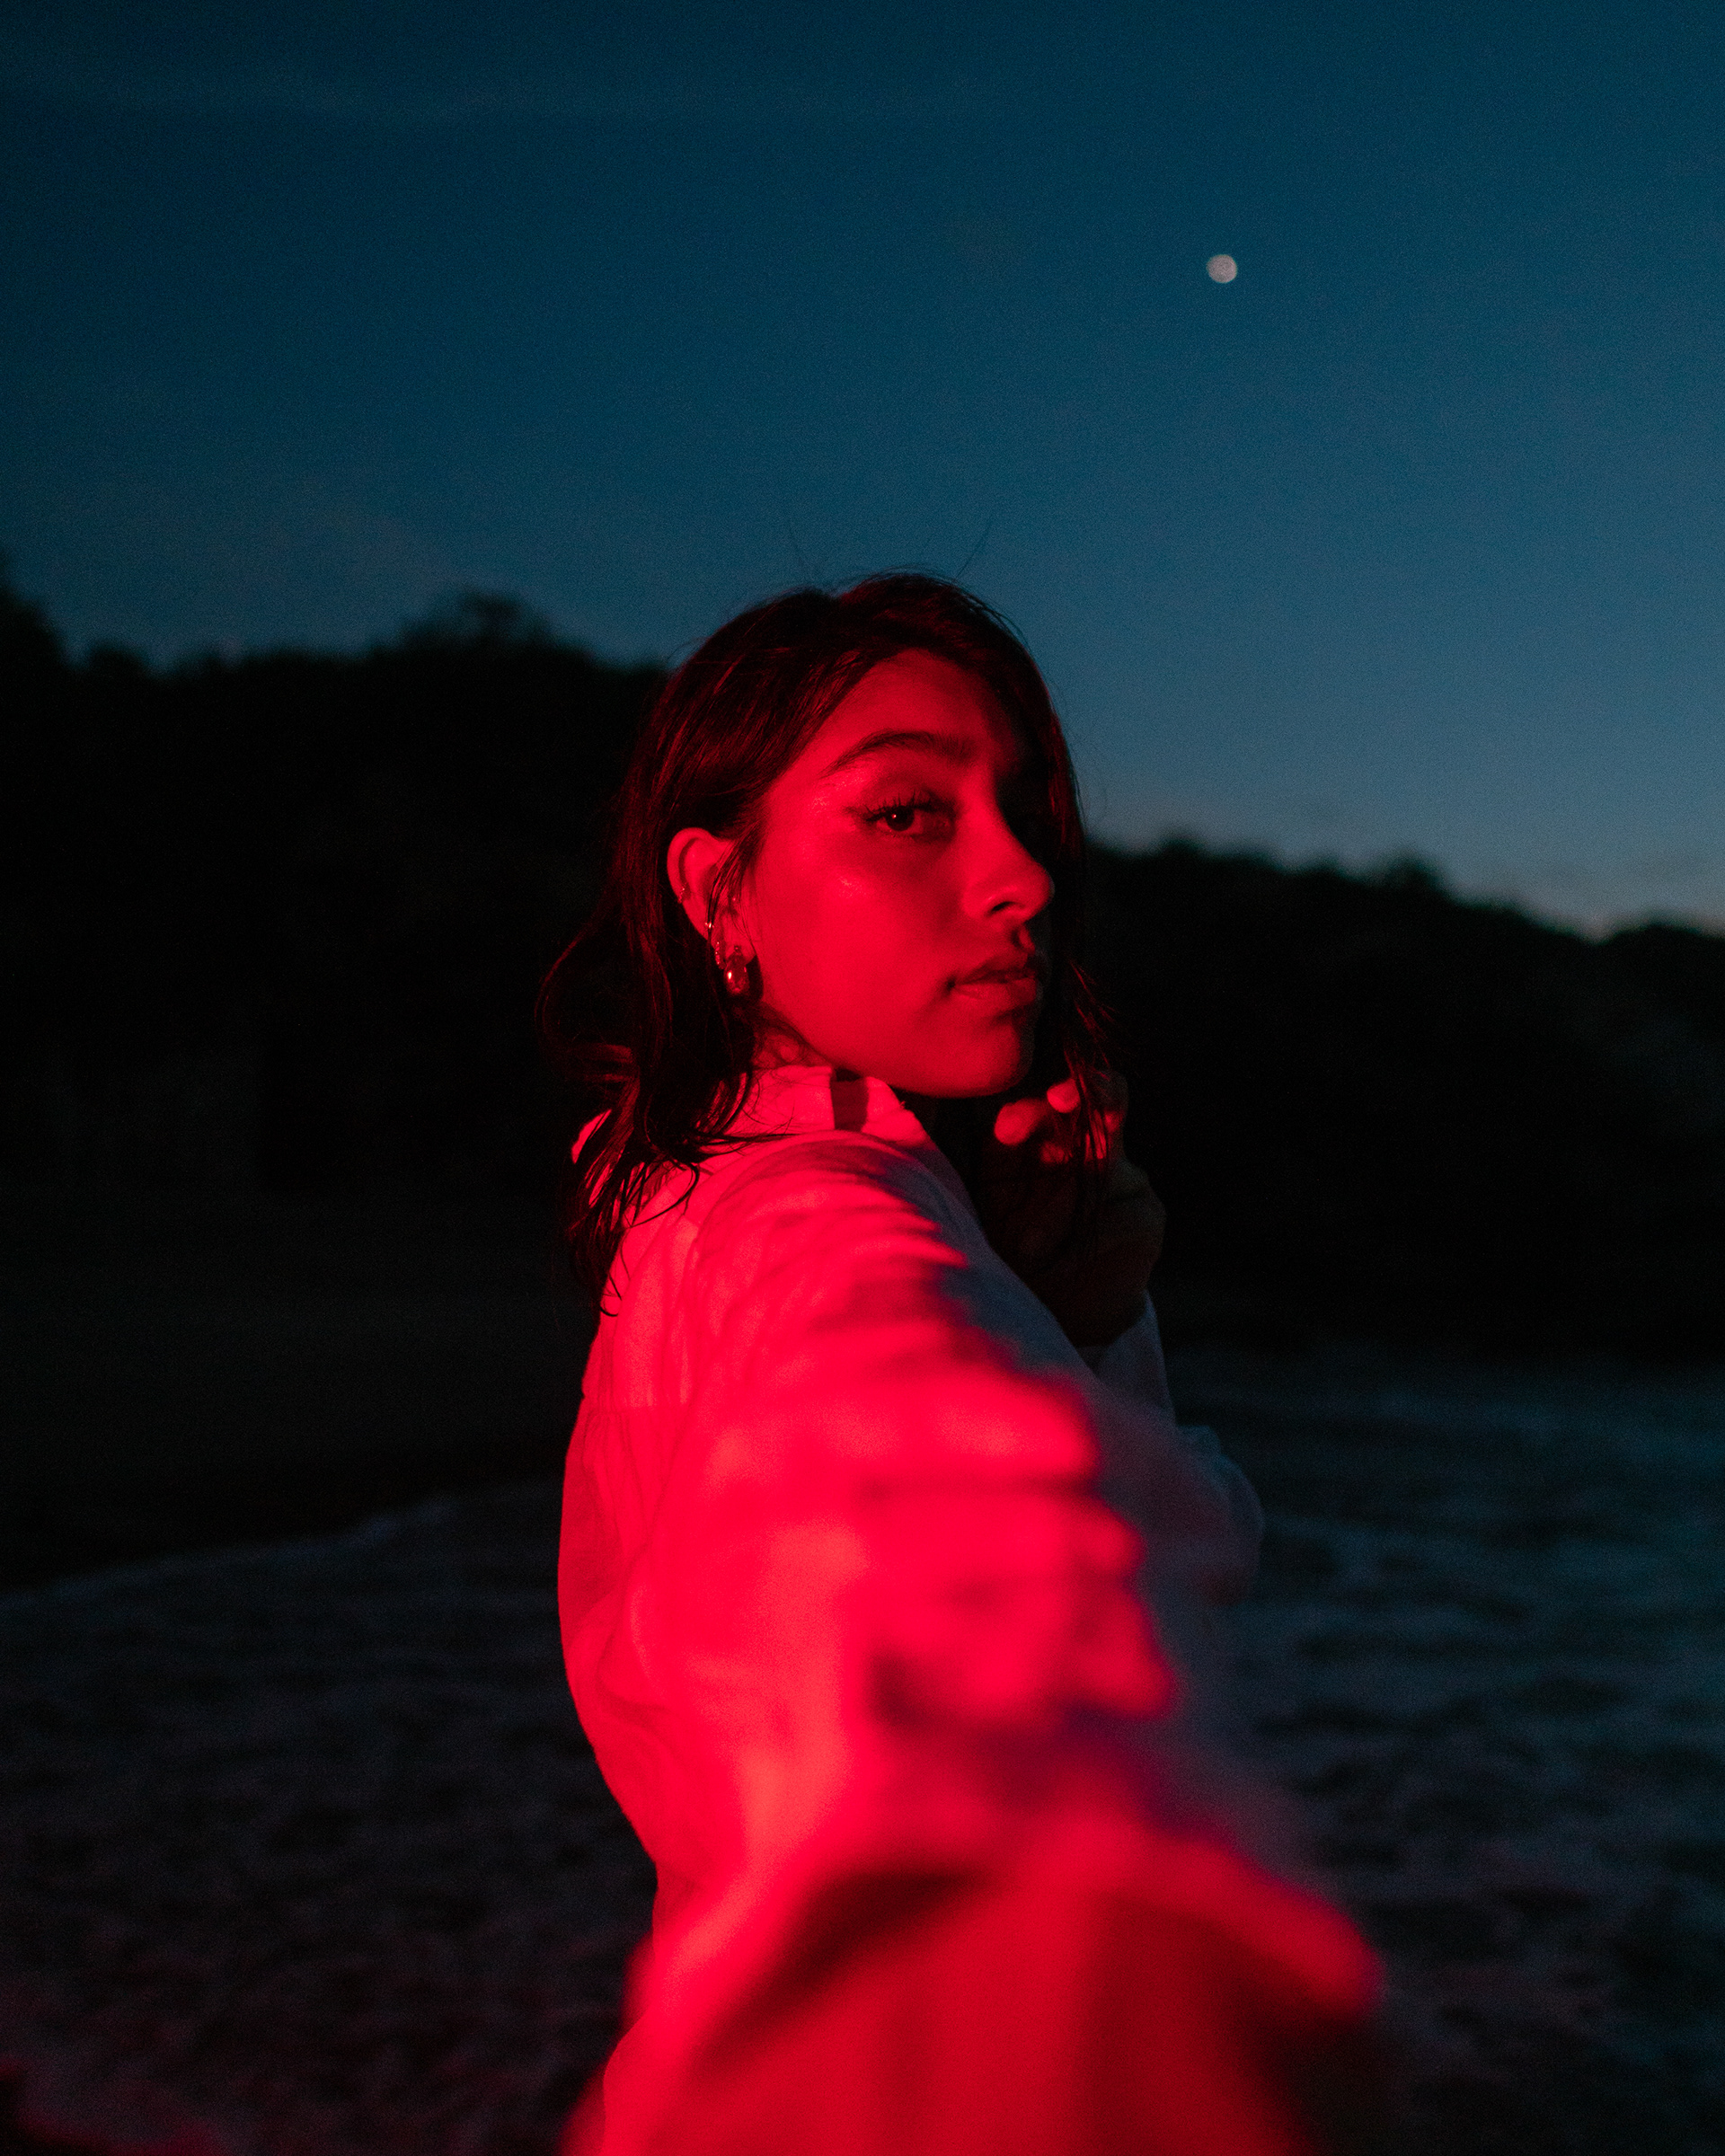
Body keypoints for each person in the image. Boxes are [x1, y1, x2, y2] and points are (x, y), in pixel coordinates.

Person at [538, 575, 1381, 2156]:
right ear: (719, 896)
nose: (1022, 875)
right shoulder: (820, 1225)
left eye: (1022, 810)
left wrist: (1077, 1302)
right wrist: (1041, 1925)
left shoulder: (708, 1188)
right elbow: (912, 1471)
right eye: (909, 814)